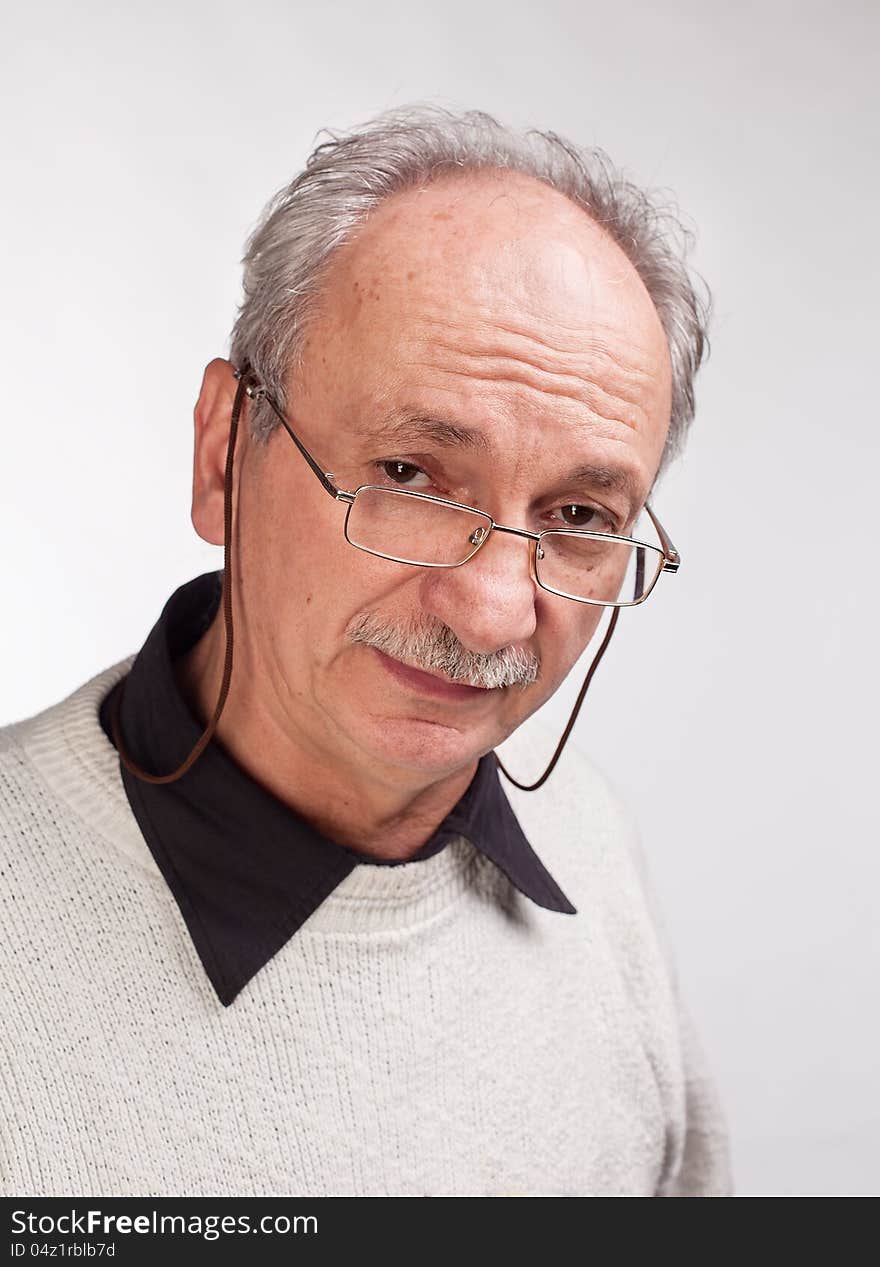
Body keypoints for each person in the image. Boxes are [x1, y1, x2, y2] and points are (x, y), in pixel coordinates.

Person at [0, 105, 732, 1197]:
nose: (491, 614)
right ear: (222, 455)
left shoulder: (586, 836)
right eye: (409, 475)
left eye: (579, 513)